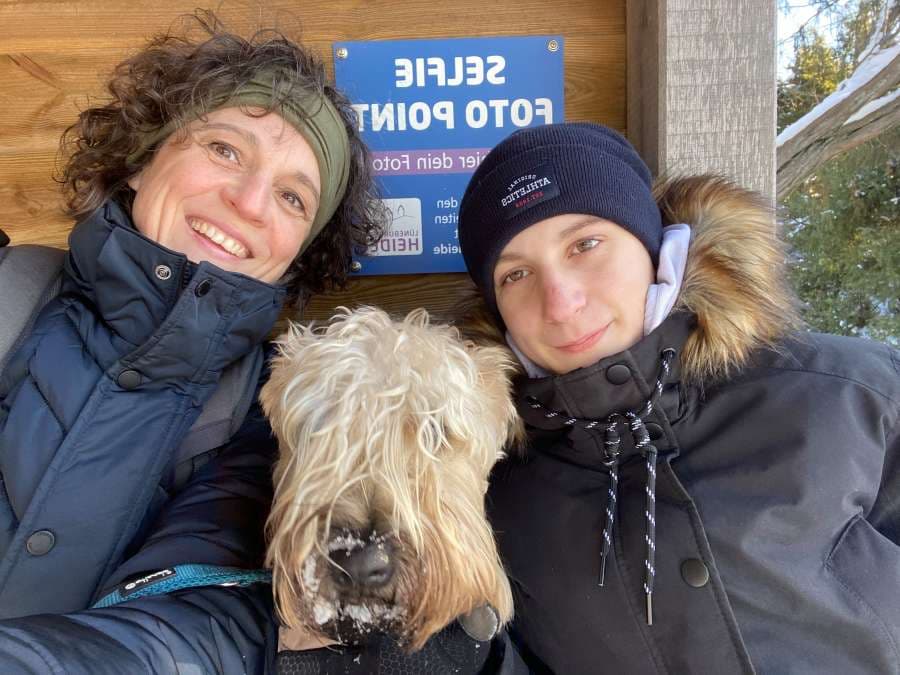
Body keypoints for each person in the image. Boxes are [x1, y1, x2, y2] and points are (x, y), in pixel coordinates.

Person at [0, 11, 383, 671]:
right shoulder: (10, 296)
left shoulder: (270, 419)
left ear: (299, 252)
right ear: (143, 158)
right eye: (225, 149)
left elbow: (199, 630)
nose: (250, 201)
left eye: (293, 198)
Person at [456, 122, 900, 674]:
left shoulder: (853, 395)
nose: (560, 301)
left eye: (585, 244)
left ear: (652, 245)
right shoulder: (499, 490)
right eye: (515, 273)